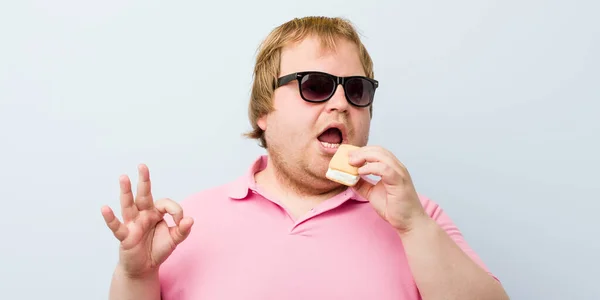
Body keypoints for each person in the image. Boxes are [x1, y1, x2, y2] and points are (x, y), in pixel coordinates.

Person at [101, 16, 509, 300]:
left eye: (357, 90)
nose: (340, 103)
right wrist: (135, 275)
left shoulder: (418, 218)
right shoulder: (186, 224)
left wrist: (414, 226)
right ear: (264, 110)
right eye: (315, 85)